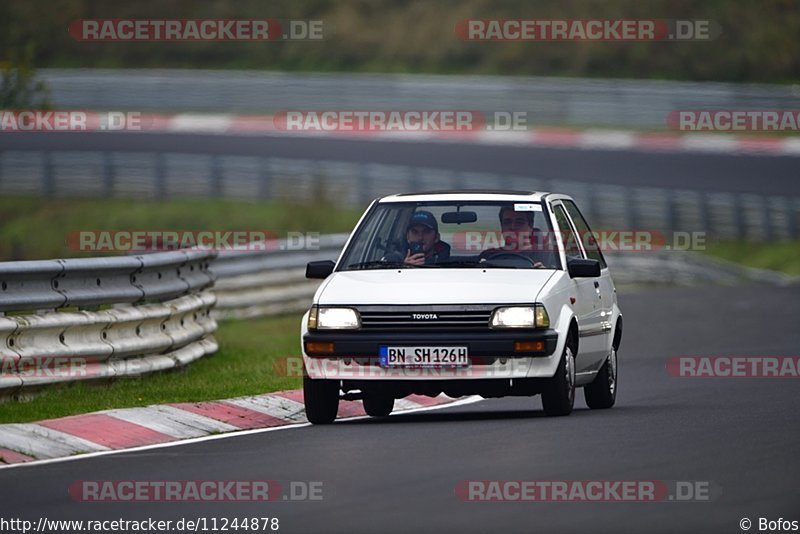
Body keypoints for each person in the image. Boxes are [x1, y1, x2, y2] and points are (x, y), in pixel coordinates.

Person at [479, 205, 547, 267]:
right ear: (502, 227)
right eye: (507, 222)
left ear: (530, 227)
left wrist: (545, 272)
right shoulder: (488, 255)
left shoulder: (547, 256)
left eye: (519, 222)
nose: (513, 227)